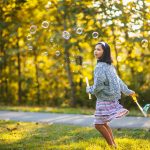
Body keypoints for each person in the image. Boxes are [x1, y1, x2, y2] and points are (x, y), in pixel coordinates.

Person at [86, 42, 135, 148]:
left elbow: (98, 85)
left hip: (104, 99)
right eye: (95, 49)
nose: (96, 51)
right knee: (103, 123)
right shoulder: (110, 66)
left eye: (99, 49)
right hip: (112, 98)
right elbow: (118, 80)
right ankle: (114, 146)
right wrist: (127, 91)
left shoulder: (99, 67)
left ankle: (111, 146)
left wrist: (90, 90)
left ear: (105, 52)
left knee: (98, 124)